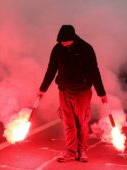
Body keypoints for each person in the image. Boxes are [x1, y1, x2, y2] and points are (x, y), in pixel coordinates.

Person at [38, 25, 107, 163]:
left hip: (82, 92)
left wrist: (101, 92)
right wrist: (42, 88)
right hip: (64, 91)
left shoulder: (86, 49)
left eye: (65, 41)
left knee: (81, 123)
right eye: (60, 41)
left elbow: (94, 71)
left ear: (73, 38)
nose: (62, 43)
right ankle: (70, 151)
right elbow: (51, 69)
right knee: (68, 123)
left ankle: (82, 151)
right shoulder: (58, 49)